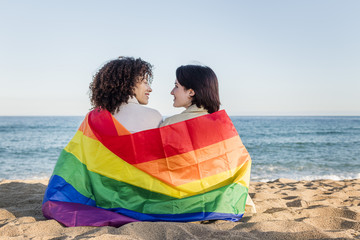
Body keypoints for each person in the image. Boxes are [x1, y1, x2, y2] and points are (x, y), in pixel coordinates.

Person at [160, 64, 256, 213]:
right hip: (226, 205)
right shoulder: (223, 124)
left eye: (176, 86)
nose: (172, 92)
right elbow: (240, 164)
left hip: (186, 205)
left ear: (191, 92)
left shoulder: (168, 125)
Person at [89, 56, 162, 133]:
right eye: (145, 82)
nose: (150, 89)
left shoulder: (92, 118)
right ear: (130, 84)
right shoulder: (154, 116)